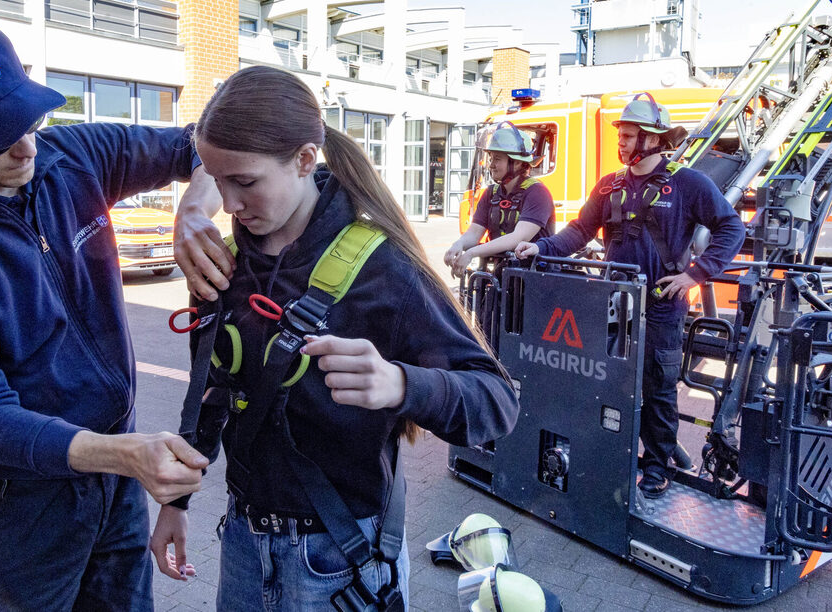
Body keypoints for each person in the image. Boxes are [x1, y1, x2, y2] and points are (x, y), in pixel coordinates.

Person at [0, 19, 221, 610]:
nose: (27, 148)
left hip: (116, 481)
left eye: (27, 119)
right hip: (21, 504)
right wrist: (126, 455)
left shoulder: (74, 155)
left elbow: (209, 147)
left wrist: (194, 208)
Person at [149, 65, 520, 610]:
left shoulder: (382, 269)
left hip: (341, 562)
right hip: (244, 546)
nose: (228, 205)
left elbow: (498, 403)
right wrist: (177, 501)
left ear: (304, 160)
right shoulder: (225, 263)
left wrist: (401, 384)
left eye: (245, 182)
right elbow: (213, 391)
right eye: (215, 179)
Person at [514, 93, 745, 498]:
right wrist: (541, 247)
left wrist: (695, 275)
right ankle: (608, 457)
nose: (621, 142)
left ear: (654, 139)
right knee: (607, 384)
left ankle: (656, 468)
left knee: (656, 389)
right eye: (620, 134)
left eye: (629, 135)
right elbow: (579, 232)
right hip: (616, 307)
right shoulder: (610, 186)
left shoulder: (687, 184)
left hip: (660, 309)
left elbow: (731, 228)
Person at [444, 123, 555, 278]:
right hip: (502, 276)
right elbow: (475, 232)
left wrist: (472, 252)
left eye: (497, 159)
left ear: (516, 162)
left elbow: (519, 238)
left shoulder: (537, 193)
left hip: (535, 280)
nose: (491, 165)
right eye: (491, 158)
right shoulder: (491, 193)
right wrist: (459, 244)